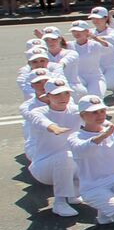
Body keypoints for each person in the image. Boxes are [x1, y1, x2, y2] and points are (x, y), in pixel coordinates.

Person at [67, 95, 114, 226]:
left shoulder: (113, 131)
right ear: (82, 116)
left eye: (102, 111)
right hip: (93, 187)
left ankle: (108, 211)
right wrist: (102, 136)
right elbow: (82, 150)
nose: (100, 115)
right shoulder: (75, 137)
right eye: (94, 112)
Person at [27, 79, 81, 217]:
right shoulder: (37, 112)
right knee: (66, 156)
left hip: (69, 163)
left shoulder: (76, 110)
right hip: (43, 167)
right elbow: (43, 122)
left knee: (93, 156)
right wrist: (54, 128)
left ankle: (73, 192)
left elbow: (101, 122)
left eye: (66, 93)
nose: (63, 98)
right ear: (48, 96)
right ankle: (60, 202)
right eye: (57, 94)